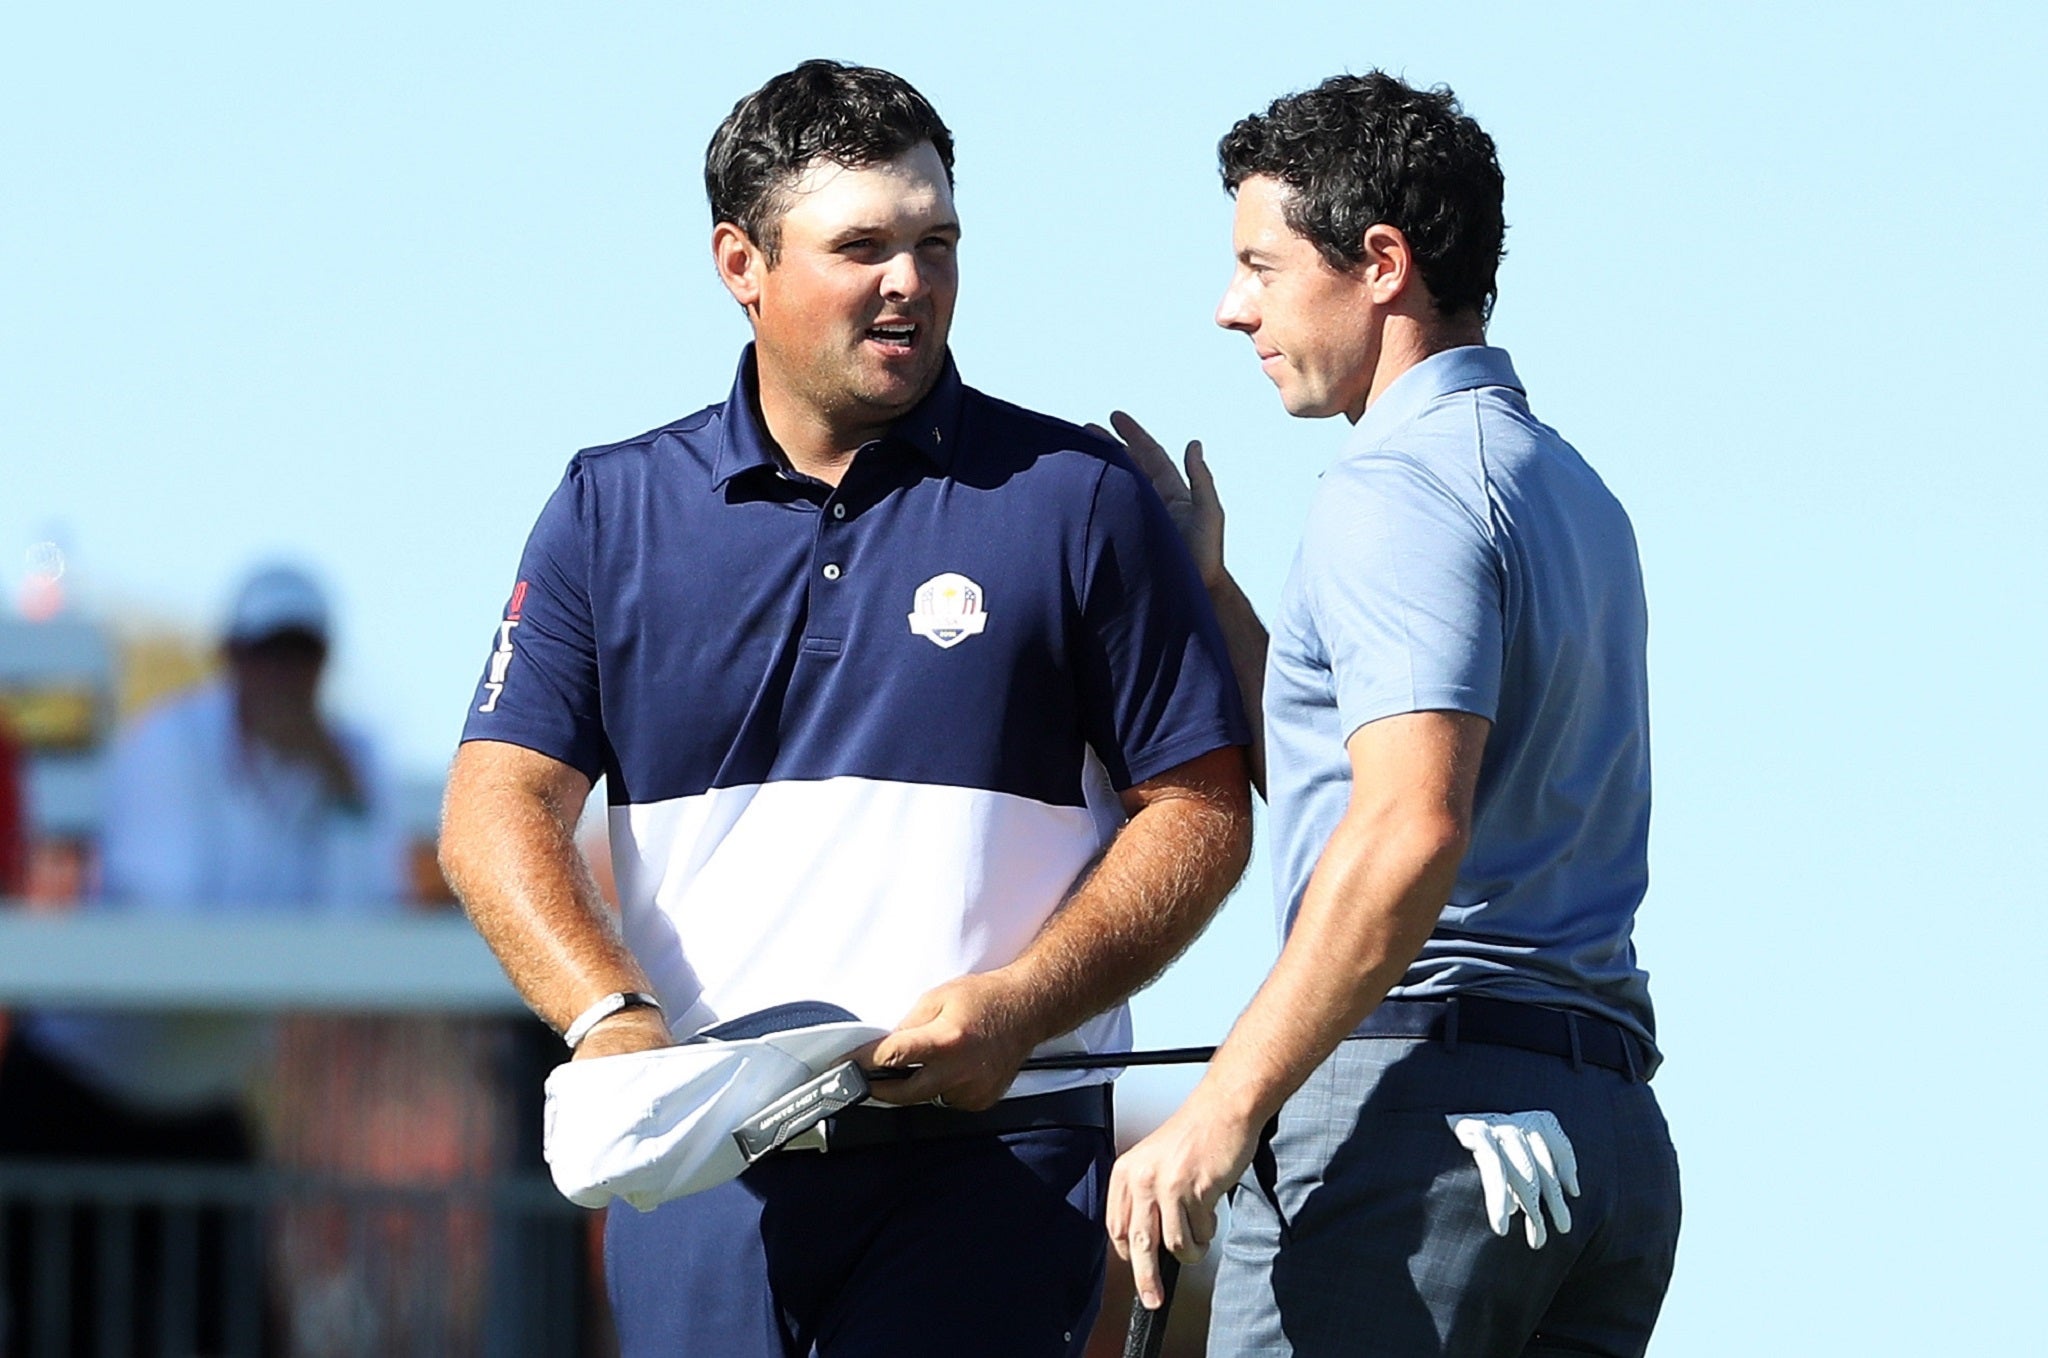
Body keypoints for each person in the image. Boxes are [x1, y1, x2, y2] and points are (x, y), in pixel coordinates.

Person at [438, 59, 1253, 1358]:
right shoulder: (609, 506)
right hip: (708, 1155)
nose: (910, 280)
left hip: (996, 1146)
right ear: (740, 264)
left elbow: (1202, 809)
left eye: (937, 242)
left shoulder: (1076, 499)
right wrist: (611, 1017)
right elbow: (496, 807)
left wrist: (1021, 1006)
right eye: (862, 245)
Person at [1102, 72, 1682, 1357]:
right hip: (1597, 1145)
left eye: (1259, 263)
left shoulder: (1395, 490)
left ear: (1379, 263)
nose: (1230, 305)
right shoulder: (1565, 487)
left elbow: (1410, 825)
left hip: (1418, 1127)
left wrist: (1222, 1100)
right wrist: (1208, 590)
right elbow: (1356, 763)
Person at [0, 562, 410, 1356]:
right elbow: (175, 922)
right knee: (62, 1331)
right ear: (231, 656)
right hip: (65, 1103)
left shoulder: (351, 760)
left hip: (200, 1108)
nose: (283, 675)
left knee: (241, 1334)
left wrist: (339, 793)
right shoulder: (168, 744)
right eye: (266, 652)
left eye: (302, 655)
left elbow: (367, 920)